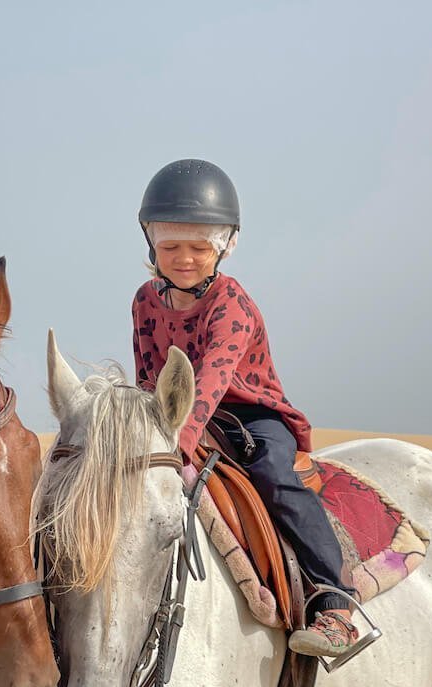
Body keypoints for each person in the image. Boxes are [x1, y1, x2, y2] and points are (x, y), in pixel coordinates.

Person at [130, 159, 357, 657]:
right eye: (170, 247)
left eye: (198, 248)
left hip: (250, 417)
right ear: (151, 244)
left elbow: (213, 375)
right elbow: (149, 372)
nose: (183, 258)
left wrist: (184, 433)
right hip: (177, 419)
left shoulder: (232, 303)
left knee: (277, 478)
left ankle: (337, 604)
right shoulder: (145, 300)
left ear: (223, 246)